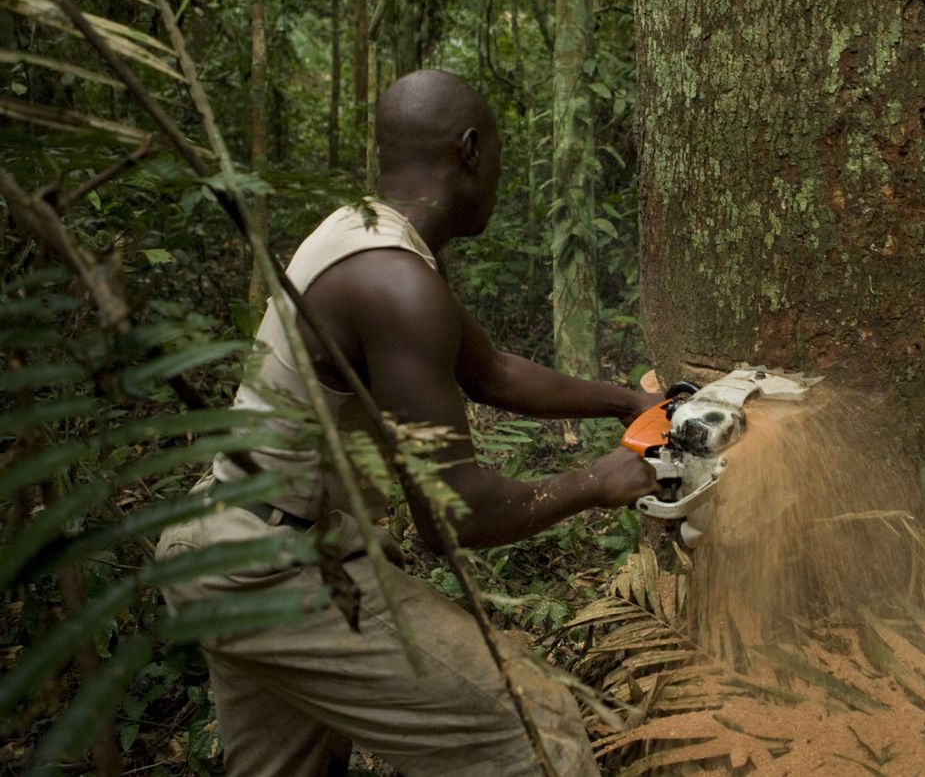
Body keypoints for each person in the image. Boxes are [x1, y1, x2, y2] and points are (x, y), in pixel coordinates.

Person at [156, 69, 660, 777]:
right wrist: (597, 481)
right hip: (280, 571)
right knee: (536, 728)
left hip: (223, 545)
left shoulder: (365, 236)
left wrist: (628, 402)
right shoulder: (396, 284)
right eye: (501, 162)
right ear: (471, 150)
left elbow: (493, 373)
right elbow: (456, 519)